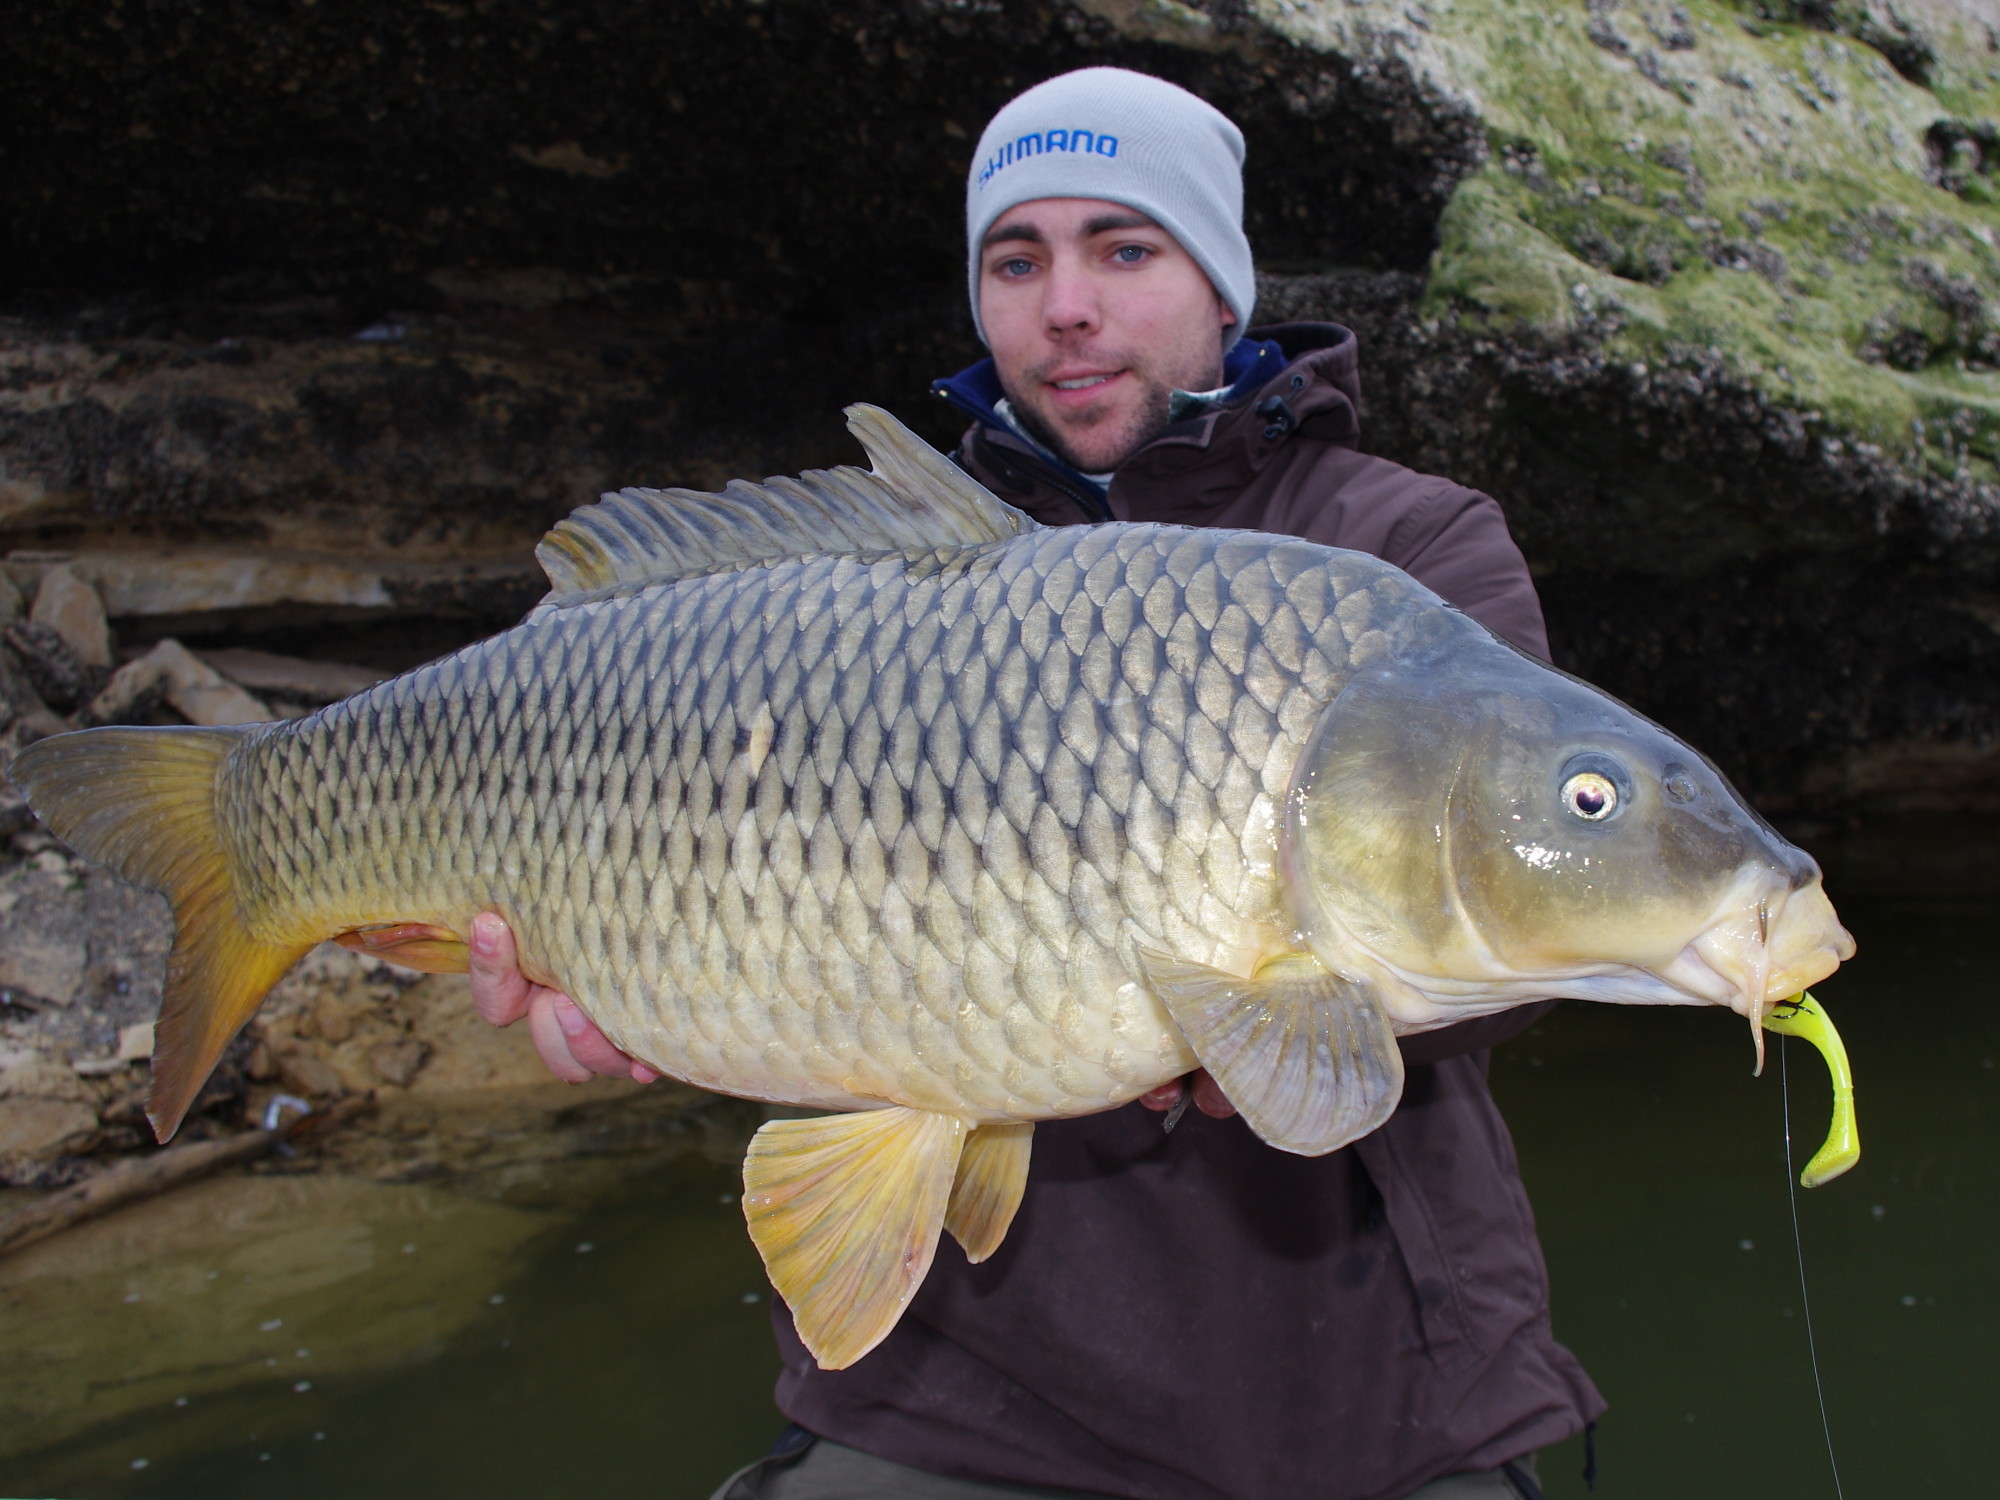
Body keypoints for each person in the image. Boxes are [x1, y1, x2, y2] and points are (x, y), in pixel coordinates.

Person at [469, 67, 1604, 1500]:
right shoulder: (858, 580)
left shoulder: (1405, 551)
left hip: (1368, 1393)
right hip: (954, 1379)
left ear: (1221, 282)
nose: (1065, 304)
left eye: (1124, 248)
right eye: (1019, 259)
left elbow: (1515, 928)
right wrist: (640, 987)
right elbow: (751, 921)